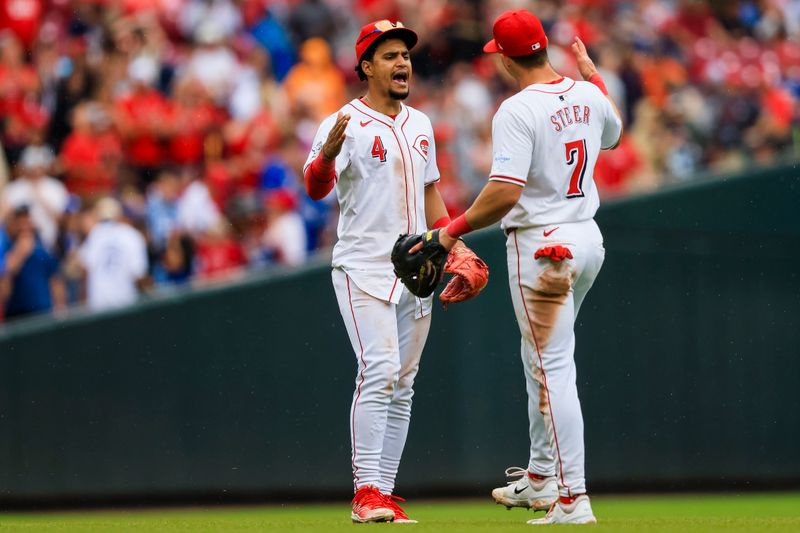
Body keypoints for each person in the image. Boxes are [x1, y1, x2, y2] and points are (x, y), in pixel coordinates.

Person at [426, 10, 623, 525]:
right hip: (586, 240)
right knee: (543, 361)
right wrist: (593, 73)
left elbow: (505, 192)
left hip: (543, 248)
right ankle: (540, 478)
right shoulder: (586, 92)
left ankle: (572, 498)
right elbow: (615, 135)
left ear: (506, 57)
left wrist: (450, 230)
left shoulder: (516, 109)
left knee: (553, 369)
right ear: (544, 48)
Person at [303, 19, 475, 524]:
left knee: (403, 380)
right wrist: (327, 157)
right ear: (365, 67)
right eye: (389, 56)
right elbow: (314, 188)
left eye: (405, 54)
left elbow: (429, 194)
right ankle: (365, 491)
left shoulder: (420, 123)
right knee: (377, 371)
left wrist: (455, 246)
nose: (402, 63)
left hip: (416, 267)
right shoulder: (342, 122)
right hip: (363, 266)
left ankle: (384, 491)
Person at [78, 197, 148, 311]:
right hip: (125, 303)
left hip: (98, 305)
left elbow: (84, 268)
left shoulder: (96, 233)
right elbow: (139, 274)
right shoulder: (131, 234)